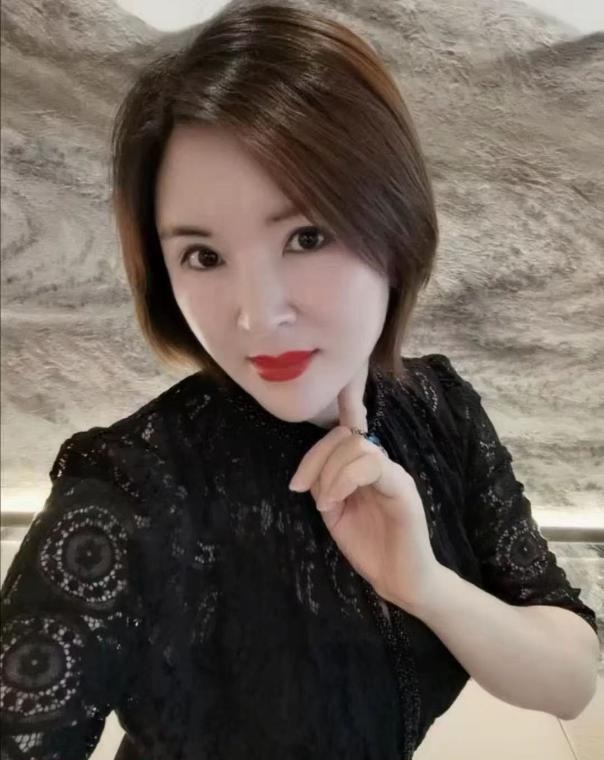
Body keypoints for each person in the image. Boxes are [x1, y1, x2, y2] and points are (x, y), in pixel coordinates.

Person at [1, 1, 598, 759]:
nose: (258, 316)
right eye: (203, 256)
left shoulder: (439, 409)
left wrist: (423, 584)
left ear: (394, 225)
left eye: (306, 236)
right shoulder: (130, 492)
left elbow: (570, 682)